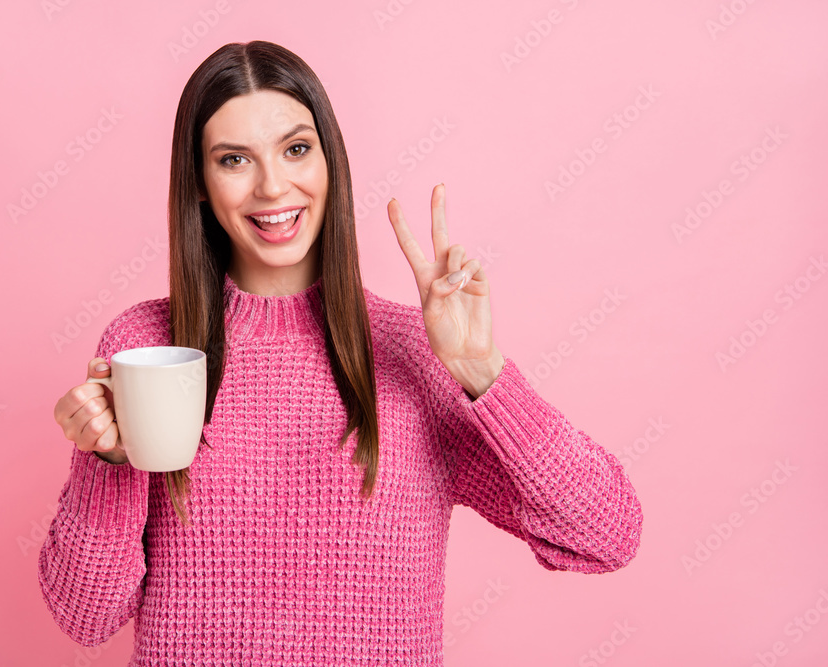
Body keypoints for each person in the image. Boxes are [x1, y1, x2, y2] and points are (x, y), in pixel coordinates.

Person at [38, 40, 642, 665]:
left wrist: (480, 370)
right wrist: (106, 461)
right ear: (198, 181)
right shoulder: (146, 349)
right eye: (234, 159)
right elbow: (85, 616)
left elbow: (606, 534)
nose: (274, 185)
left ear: (331, 164)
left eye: (296, 149)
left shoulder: (414, 352)